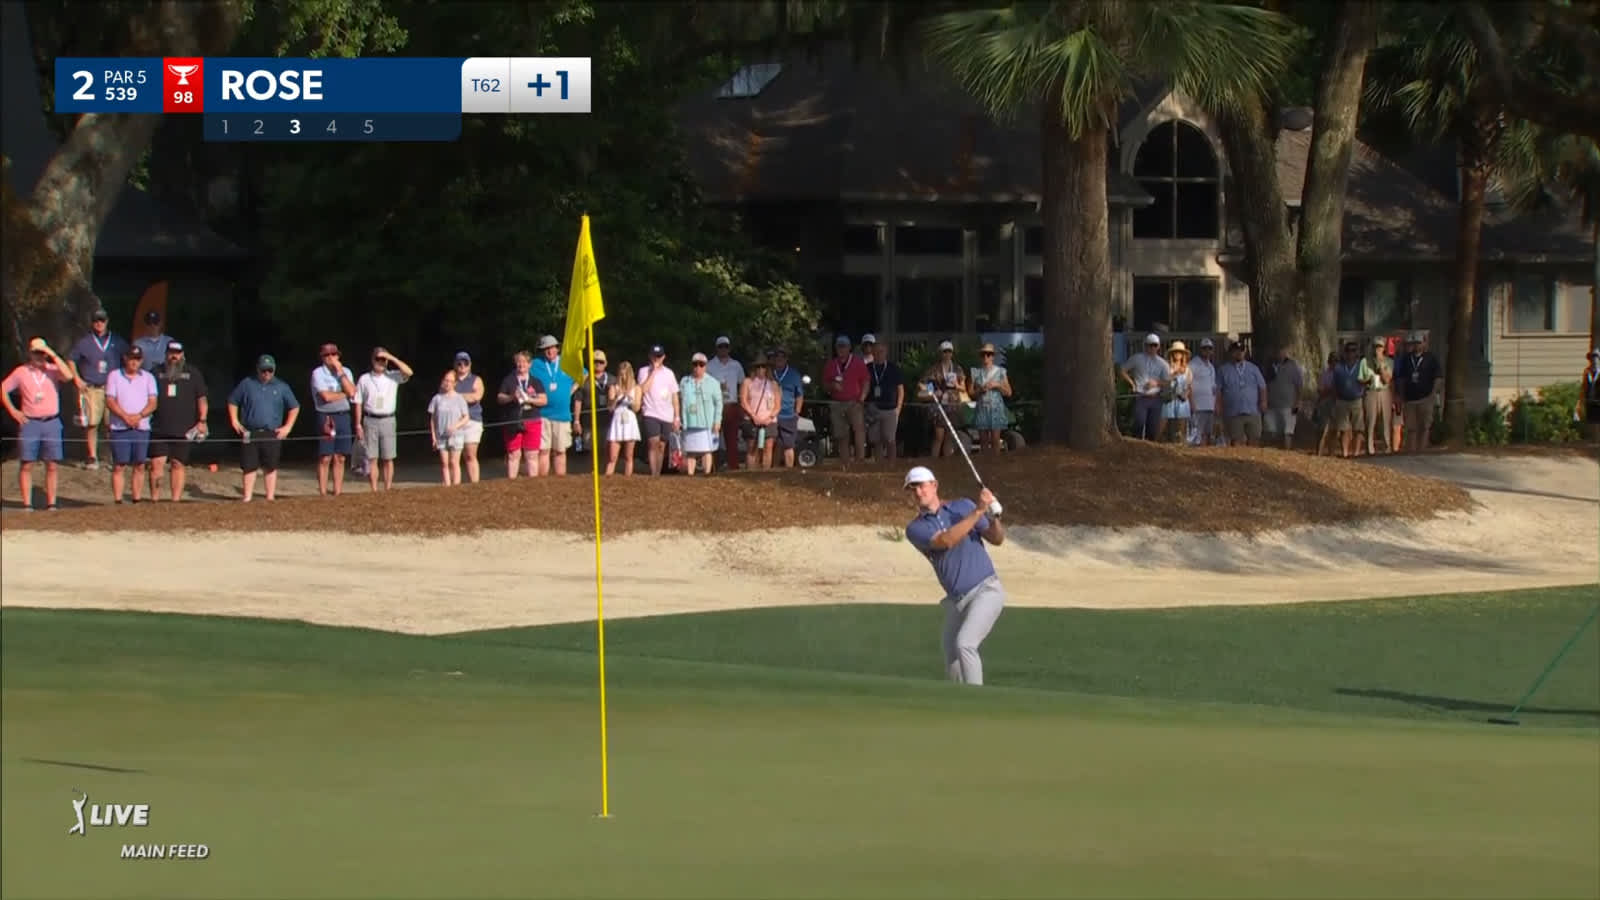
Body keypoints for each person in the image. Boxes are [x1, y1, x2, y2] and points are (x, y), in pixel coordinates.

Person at [902, 466, 1007, 687]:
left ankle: (977, 702)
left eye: (921, 486)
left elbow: (997, 539)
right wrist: (978, 512)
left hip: (987, 590)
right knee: (952, 654)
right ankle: (958, 703)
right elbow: (946, 541)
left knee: (965, 644)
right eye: (912, 489)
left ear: (934, 485)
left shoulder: (963, 507)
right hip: (957, 602)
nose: (918, 492)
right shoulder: (915, 528)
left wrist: (994, 516)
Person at [1, 338, 75, 511]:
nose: (39, 356)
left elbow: (69, 376)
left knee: (52, 464)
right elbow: (3, 389)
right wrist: (13, 411)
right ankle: (27, 503)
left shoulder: (52, 370)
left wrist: (52, 354)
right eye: (36, 353)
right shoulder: (21, 372)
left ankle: (51, 503)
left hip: (51, 421)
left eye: (41, 353)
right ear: (30, 353)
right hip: (30, 422)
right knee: (27, 463)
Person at [227, 354, 301, 502]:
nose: (266, 373)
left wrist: (288, 427)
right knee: (249, 466)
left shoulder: (281, 386)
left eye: (269, 370)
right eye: (263, 370)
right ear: (258, 369)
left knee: (271, 466)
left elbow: (294, 407)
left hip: (272, 431)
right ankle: (247, 497)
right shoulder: (247, 384)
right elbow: (233, 401)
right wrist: (234, 421)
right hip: (250, 431)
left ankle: (270, 497)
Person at [148, 341, 208, 502]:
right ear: (166, 354)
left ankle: (175, 501)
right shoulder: (155, 372)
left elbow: (201, 398)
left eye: (177, 353)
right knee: (156, 464)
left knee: (178, 464)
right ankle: (154, 500)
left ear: (182, 354)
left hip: (184, 428)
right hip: (159, 428)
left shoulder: (193, 373)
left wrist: (202, 420)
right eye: (171, 352)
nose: (174, 356)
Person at [68, 308, 128, 469]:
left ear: (107, 321)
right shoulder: (85, 341)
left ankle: (112, 456)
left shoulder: (117, 340)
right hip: (92, 387)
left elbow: (128, 358)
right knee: (92, 423)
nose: (99, 323)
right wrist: (77, 379)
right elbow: (71, 360)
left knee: (112, 424)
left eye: (102, 320)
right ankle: (92, 456)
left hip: (112, 388)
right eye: (96, 321)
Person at [353, 347, 414, 492]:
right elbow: (358, 402)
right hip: (370, 419)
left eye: (383, 360)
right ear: (372, 360)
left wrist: (391, 357)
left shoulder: (393, 376)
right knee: (372, 457)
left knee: (388, 457)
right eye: (377, 359)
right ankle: (374, 489)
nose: (380, 362)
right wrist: (358, 424)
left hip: (388, 419)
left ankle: (387, 488)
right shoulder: (364, 379)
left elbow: (409, 372)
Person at [104, 346, 158, 504]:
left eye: (137, 359)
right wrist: (125, 416)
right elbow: (110, 400)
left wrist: (139, 416)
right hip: (120, 427)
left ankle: (136, 498)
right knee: (119, 465)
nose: (134, 362)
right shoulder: (114, 375)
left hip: (141, 427)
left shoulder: (148, 378)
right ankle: (118, 499)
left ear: (141, 360)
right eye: (131, 358)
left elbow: (153, 402)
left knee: (140, 464)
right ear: (125, 358)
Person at [308, 343, 357, 496]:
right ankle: (322, 492)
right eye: (327, 355)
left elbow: (353, 392)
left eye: (333, 355)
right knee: (325, 457)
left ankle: (337, 491)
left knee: (341, 457)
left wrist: (340, 371)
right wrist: (344, 394)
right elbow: (326, 397)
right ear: (322, 357)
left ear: (338, 356)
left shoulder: (346, 371)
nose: (331, 358)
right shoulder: (318, 373)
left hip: (343, 414)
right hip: (326, 416)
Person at [531, 335, 577, 476]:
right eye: (546, 349)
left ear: (557, 348)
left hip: (562, 414)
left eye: (552, 348)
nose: (550, 351)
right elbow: (523, 376)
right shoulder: (535, 364)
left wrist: (570, 391)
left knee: (560, 450)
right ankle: (543, 483)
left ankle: (560, 483)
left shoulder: (567, 362)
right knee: (543, 450)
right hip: (542, 414)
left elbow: (584, 375)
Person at [497, 350, 546, 478]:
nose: (521, 364)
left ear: (530, 364)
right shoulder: (509, 380)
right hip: (513, 420)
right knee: (513, 454)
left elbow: (544, 400)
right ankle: (512, 482)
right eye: (518, 362)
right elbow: (500, 397)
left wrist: (529, 399)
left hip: (532, 420)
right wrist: (511, 397)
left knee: (532, 454)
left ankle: (533, 483)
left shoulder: (536, 381)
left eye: (524, 362)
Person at [679, 352, 724, 475]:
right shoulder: (685, 381)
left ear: (705, 366)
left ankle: (707, 473)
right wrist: (679, 420)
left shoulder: (713, 382)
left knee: (706, 450)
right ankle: (690, 474)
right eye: (695, 364)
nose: (698, 367)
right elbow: (680, 401)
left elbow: (719, 403)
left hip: (707, 423)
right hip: (690, 422)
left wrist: (717, 421)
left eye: (701, 364)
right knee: (691, 450)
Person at [638, 345, 680, 476]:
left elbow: (674, 396)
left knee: (662, 445)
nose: (656, 359)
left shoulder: (669, 373)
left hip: (666, 414)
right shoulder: (643, 371)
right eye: (654, 356)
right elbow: (643, 390)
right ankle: (653, 472)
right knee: (653, 443)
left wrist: (676, 416)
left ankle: (658, 472)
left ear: (663, 357)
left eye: (659, 356)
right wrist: (653, 372)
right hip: (651, 412)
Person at [706, 337, 745, 471]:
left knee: (732, 439)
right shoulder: (709, 365)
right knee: (714, 437)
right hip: (715, 405)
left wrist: (740, 404)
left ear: (729, 348)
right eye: (721, 347)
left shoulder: (736, 365)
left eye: (726, 346)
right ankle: (712, 467)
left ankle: (733, 467)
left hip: (731, 404)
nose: (724, 349)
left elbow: (742, 384)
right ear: (717, 348)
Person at [862, 335, 903, 461]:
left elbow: (900, 389)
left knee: (890, 439)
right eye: (876, 352)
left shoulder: (893, 368)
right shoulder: (867, 368)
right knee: (876, 440)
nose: (879, 354)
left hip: (890, 408)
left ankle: (892, 464)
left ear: (886, 352)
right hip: (873, 408)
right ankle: (879, 465)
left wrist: (898, 408)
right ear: (872, 353)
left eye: (882, 351)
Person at [427, 370, 471, 485]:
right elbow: (433, 419)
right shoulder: (437, 399)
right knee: (444, 463)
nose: (447, 383)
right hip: (441, 435)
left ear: (455, 383)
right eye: (446, 380)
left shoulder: (459, 399)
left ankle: (456, 486)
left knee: (454, 462)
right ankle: (447, 485)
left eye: (451, 381)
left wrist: (456, 426)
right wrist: (434, 437)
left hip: (456, 435)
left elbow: (466, 417)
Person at [969, 343, 1013, 453]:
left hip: (996, 409)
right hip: (982, 409)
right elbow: (970, 392)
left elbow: (1009, 392)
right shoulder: (975, 372)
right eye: (983, 354)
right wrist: (980, 390)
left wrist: (997, 385)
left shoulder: (1001, 372)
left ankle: (996, 466)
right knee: (983, 441)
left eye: (988, 354)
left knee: (995, 440)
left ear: (993, 356)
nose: (986, 357)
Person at [451, 351, 486, 483]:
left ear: (470, 364)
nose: (462, 365)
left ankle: (474, 484)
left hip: (472, 420)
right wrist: (465, 396)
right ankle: (454, 484)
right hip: (454, 421)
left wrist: (455, 396)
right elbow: (443, 395)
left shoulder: (476, 379)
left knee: (471, 454)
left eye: (465, 363)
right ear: (455, 364)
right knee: (454, 457)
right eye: (459, 363)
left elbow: (476, 397)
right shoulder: (451, 378)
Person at [741, 356, 780, 469]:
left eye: (763, 366)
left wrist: (769, 417)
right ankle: (750, 474)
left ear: (767, 369)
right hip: (751, 419)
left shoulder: (773, 384)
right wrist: (754, 416)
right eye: (758, 367)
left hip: (769, 420)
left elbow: (777, 405)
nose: (760, 369)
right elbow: (743, 401)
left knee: (768, 447)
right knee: (752, 448)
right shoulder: (747, 382)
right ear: (754, 368)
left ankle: (766, 473)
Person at [605, 360, 641, 475]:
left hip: (630, 421)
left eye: (625, 374)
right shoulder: (614, 387)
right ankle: (608, 476)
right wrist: (617, 397)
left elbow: (637, 408)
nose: (623, 377)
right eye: (621, 374)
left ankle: (627, 479)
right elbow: (610, 408)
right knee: (612, 456)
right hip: (617, 421)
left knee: (629, 456)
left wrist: (629, 398)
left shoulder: (636, 388)